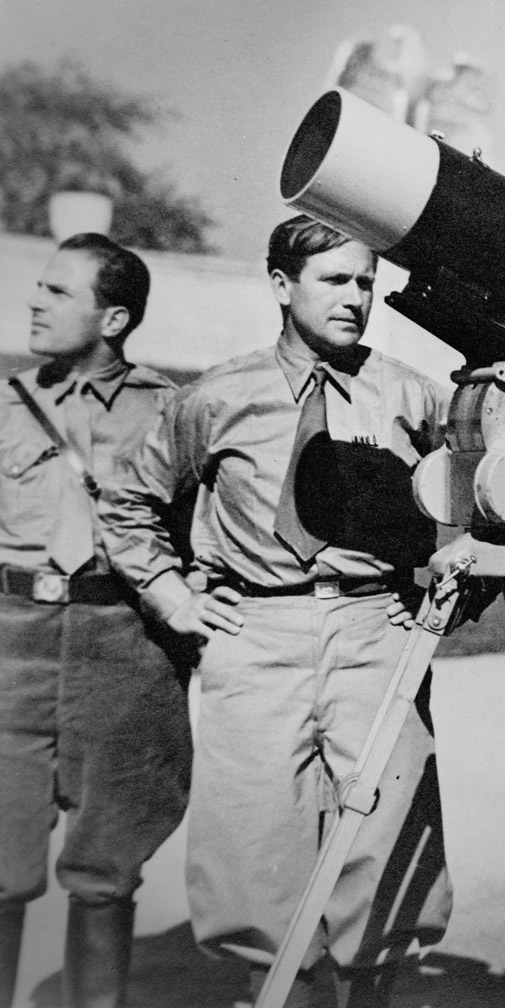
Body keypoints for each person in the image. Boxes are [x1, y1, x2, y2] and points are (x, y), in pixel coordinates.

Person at [99, 215, 453, 1008]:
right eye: (336, 280)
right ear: (280, 286)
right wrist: (174, 596)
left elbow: (482, 496)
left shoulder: (408, 395)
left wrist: (444, 589)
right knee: (255, 847)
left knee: (387, 839)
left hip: (375, 631)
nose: (357, 298)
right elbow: (128, 502)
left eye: (366, 282)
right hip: (256, 636)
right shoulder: (217, 396)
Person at [0, 234, 191, 1008]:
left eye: (57, 293)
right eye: (37, 288)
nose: (34, 304)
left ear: (113, 318)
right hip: (12, 641)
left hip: (123, 646)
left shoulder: (172, 412)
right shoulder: (7, 403)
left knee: (106, 868)